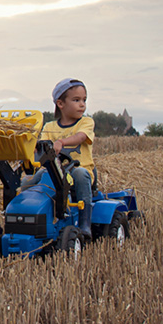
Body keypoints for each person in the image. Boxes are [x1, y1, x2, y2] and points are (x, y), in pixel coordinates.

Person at [41, 78, 96, 236]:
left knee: (80, 174)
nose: (82, 104)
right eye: (76, 100)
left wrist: (61, 142)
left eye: (84, 100)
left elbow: (80, 137)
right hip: (56, 173)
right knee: (33, 179)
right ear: (60, 103)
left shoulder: (86, 122)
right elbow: (42, 145)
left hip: (80, 172)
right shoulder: (49, 127)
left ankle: (85, 224)